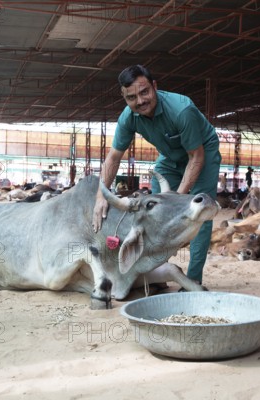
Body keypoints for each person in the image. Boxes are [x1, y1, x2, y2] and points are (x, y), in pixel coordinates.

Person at [92, 64, 221, 285]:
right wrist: (100, 197)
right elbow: (113, 158)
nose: (140, 101)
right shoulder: (128, 117)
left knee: (200, 213)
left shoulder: (181, 110)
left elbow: (196, 156)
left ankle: (193, 279)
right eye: (132, 97)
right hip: (169, 157)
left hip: (202, 154)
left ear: (154, 86)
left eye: (144, 92)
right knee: (153, 212)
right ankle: (156, 272)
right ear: (124, 98)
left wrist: (176, 200)